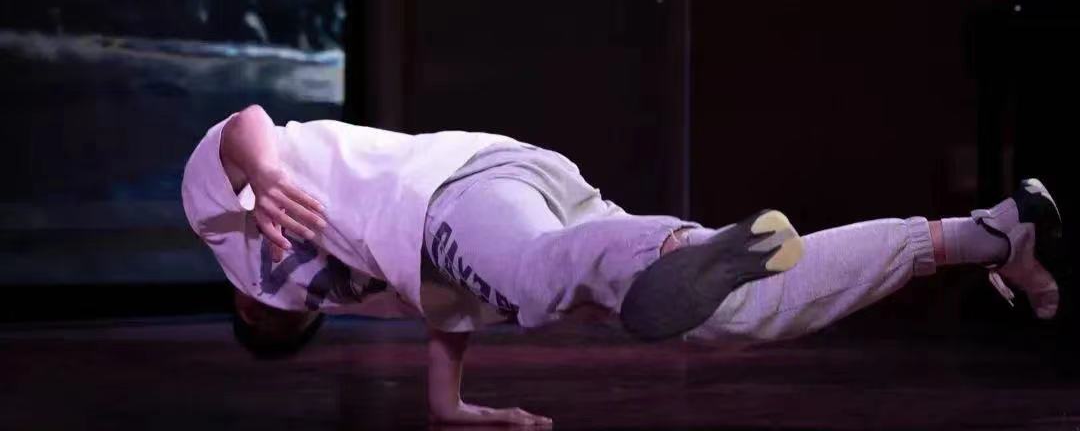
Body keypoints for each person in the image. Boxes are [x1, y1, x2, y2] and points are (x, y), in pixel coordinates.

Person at [182, 105, 1065, 427]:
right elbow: (445, 301)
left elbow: (240, 127)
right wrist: (449, 407)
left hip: (463, 191)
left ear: (246, 306)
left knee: (533, 282)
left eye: (271, 317)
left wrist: (265, 174)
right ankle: (987, 234)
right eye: (296, 319)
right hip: (523, 208)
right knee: (741, 314)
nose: (289, 306)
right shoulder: (351, 288)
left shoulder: (224, 226)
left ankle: (674, 250)